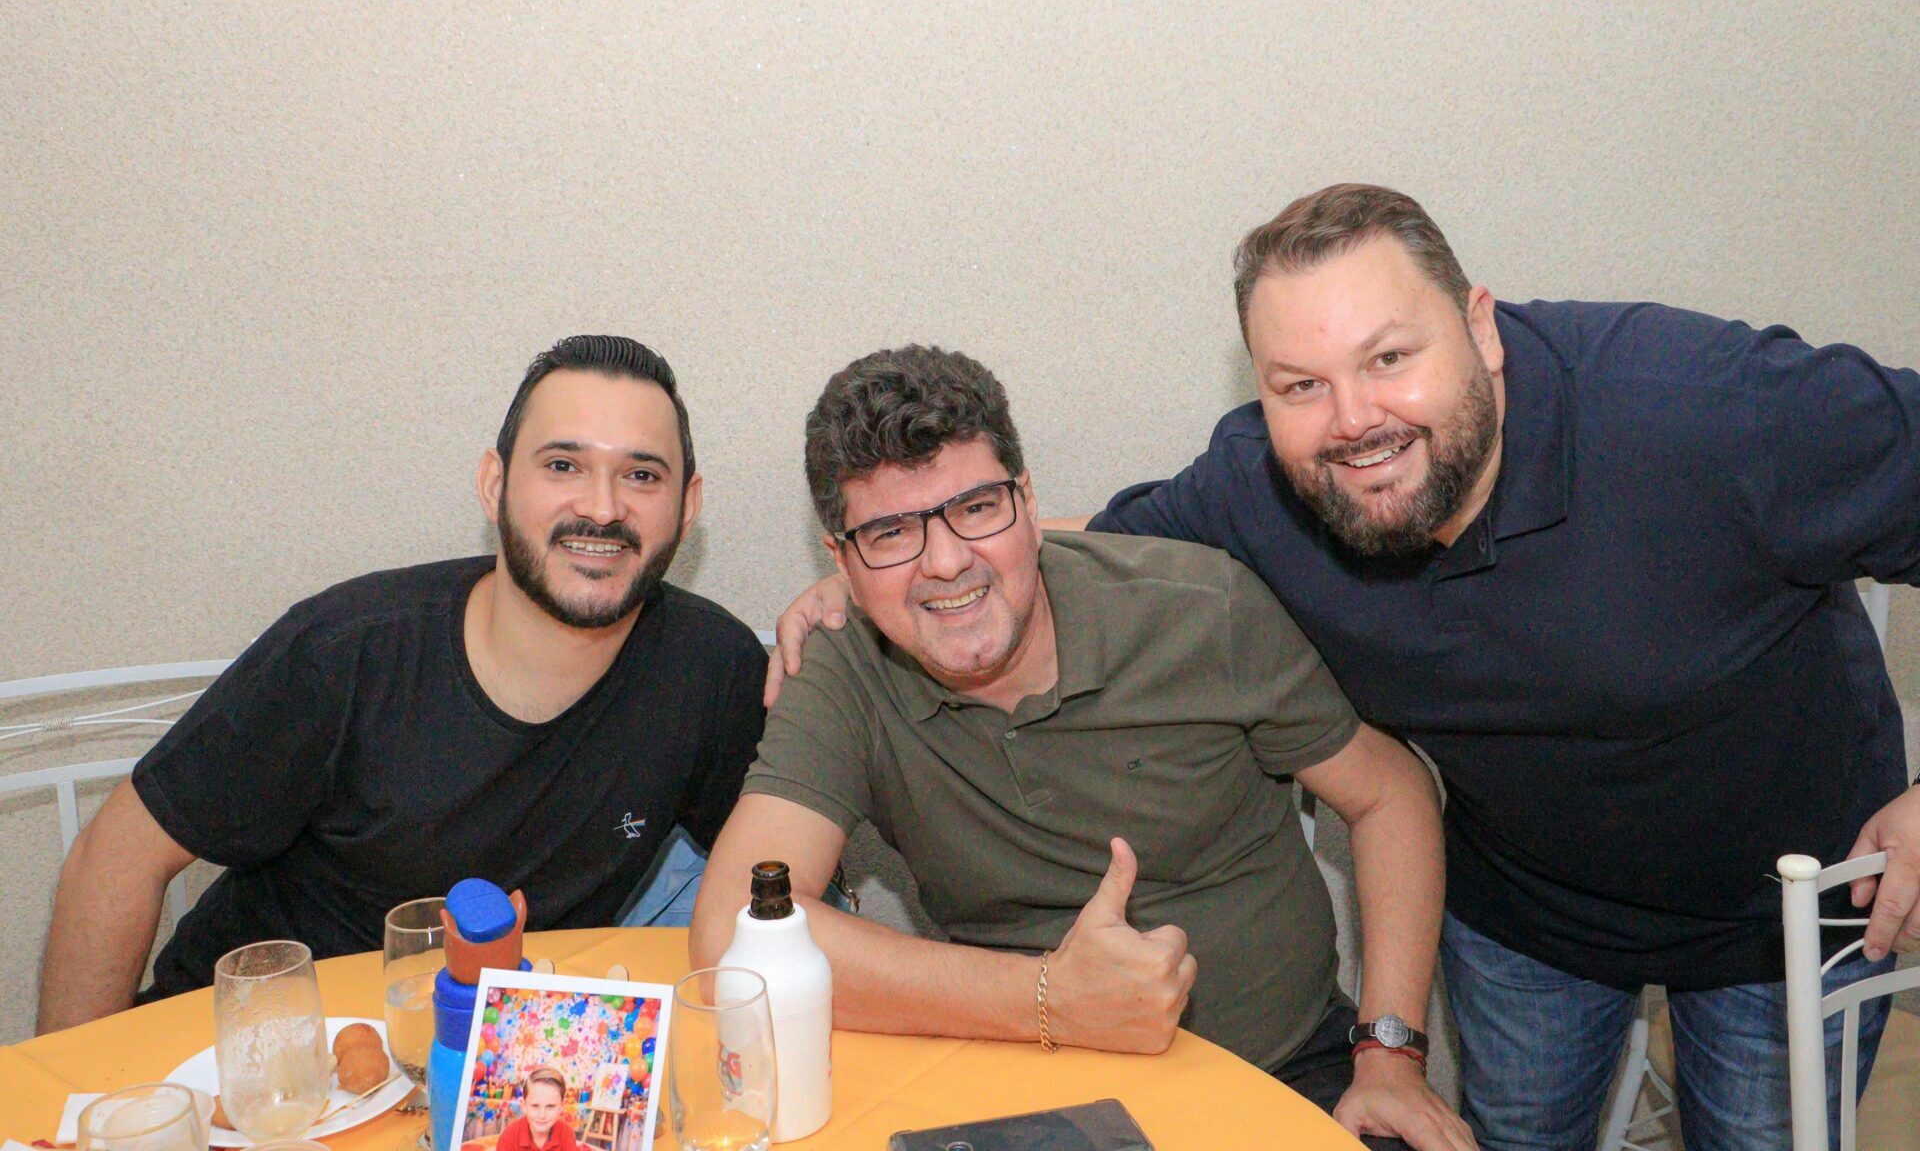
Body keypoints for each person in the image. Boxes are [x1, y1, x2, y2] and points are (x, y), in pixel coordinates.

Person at [765, 186, 1920, 1151]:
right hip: (1528, 915)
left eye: (1390, 357)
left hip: (1779, 903)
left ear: (1482, 324)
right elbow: (1088, 548)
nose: (1353, 419)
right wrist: (899, 570)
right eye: (1299, 383)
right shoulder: (1265, 488)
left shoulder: (1711, 413)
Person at [694, 346, 1474, 1151]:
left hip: (1285, 1069)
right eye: (891, 532)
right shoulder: (843, 668)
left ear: (1029, 504)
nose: (947, 561)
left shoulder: (1198, 611)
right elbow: (730, 933)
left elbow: (1390, 794)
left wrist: (1390, 1055)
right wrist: (1048, 998)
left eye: (977, 508)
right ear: (842, 561)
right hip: (1024, 1088)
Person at [38, 335, 767, 1032]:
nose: (602, 509)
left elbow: (781, 884)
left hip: (490, 1063)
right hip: (249, 1052)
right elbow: (117, 857)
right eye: (562, 465)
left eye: (642, 476)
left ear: (687, 506)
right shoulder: (347, 653)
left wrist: (830, 631)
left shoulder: (712, 671)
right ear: (494, 485)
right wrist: (69, 1097)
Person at [494, 1068, 579, 1151]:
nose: (542, 1115)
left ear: (562, 1106)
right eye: (535, 1106)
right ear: (524, 1105)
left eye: (550, 1106)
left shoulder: (566, 1135)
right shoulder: (509, 1137)